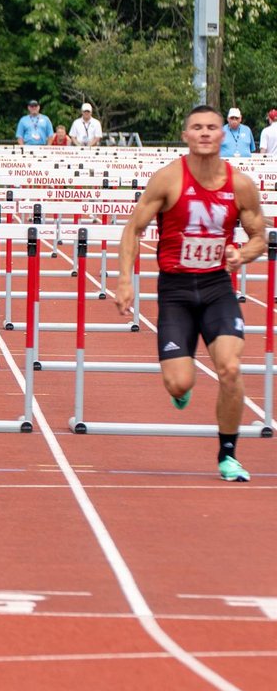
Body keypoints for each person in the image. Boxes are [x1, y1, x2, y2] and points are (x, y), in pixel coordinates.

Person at [114, 105, 266, 482]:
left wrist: (241, 254)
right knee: (180, 382)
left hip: (217, 287)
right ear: (185, 135)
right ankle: (180, 384)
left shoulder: (241, 184)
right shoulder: (167, 179)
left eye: (211, 128)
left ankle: (227, 455)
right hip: (176, 289)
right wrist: (124, 280)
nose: (204, 133)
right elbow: (132, 229)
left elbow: (260, 236)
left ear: (223, 135)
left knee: (230, 368)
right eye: (196, 127)